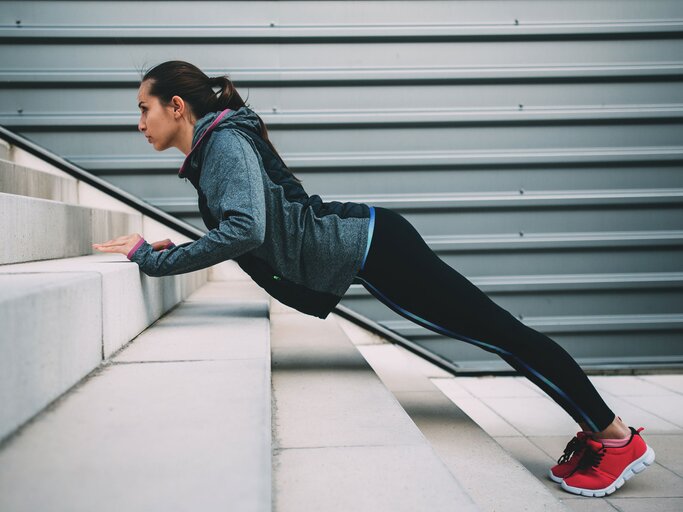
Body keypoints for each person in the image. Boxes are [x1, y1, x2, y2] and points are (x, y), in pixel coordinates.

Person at [93, 60, 655, 497]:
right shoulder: (216, 146)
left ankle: (614, 437)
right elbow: (256, 225)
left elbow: (245, 228)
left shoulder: (222, 144)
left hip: (372, 247)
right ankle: (602, 429)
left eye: (144, 109)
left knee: (499, 333)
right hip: (370, 246)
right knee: (497, 332)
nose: (139, 124)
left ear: (175, 106)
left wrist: (155, 258)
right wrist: (181, 247)